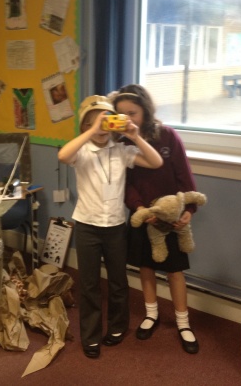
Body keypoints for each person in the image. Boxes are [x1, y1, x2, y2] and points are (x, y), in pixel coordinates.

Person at [58, 95, 163, 359]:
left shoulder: (122, 150)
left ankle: (117, 327)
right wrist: (92, 130)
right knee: (89, 284)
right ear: (85, 126)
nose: (102, 127)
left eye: (106, 121)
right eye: (94, 123)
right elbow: (63, 155)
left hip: (115, 226)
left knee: (118, 281)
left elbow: (156, 162)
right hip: (87, 225)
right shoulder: (81, 151)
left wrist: (135, 136)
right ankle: (90, 336)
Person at [111, 84, 200, 354]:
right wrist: (140, 209)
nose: (128, 119)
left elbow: (184, 175)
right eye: (121, 114)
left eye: (133, 113)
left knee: (175, 271)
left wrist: (188, 209)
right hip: (142, 216)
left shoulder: (167, 136)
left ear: (145, 111)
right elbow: (126, 184)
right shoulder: (120, 145)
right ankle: (151, 314)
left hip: (172, 216)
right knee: (145, 267)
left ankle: (183, 322)